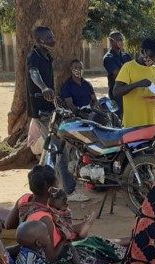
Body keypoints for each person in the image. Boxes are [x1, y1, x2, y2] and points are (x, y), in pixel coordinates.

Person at [7, 165, 126, 264]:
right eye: (57, 183)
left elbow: (9, 224)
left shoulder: (24, 200)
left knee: (95, 241)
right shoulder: (45, 218)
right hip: (49, 260)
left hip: (29, 249)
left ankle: (128, 241)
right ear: (51, 189)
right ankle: (131, 245)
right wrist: (66, 239)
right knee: (93, 245)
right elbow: (51, 258)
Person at [55, 59, 95, 202]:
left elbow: (94, 100)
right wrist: (80, 112)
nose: (78, 69)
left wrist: (94, 111)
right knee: (71, 150)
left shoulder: (87, 84)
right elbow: (69, 104)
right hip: (76, 120)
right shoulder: (67, 86)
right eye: (75, 67)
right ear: (70, 69)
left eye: (80, 67)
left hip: (90, 118)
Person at [113, 38, 155, 128]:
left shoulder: (153, 69)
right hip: (132, 124)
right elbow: (116, 92)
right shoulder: (128, 67)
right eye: (152, 55)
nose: (154, 59)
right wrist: (137, 84)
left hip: (150, 122)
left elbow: (152, 96)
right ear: (143, 51)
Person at [25, 26, 57, 160]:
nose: (53, 40)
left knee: (50, 140)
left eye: (52, 37)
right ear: (39, 40)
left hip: (49, 104)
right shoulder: (33, 56)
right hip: (39, 106)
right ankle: (48, 169)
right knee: (51, 142)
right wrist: (43, 87)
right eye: (49, 38)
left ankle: (45, 165)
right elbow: (34, 73)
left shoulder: (48, 56)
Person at [103, 31, 133, 119]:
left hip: (129, 93)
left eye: (122, 40)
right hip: (116, 96)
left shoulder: (126, 56)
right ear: (111, 41)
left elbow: (133, 72)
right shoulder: (108, 58)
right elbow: (118, 75)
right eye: (118, 40)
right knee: (119, 120)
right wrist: (129, 71)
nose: (121, 42)